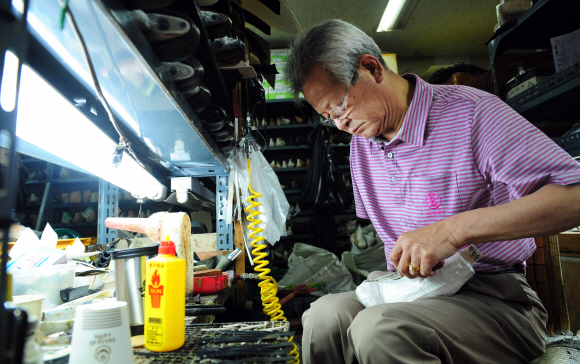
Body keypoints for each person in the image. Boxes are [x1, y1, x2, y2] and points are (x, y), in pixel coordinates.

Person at [284, 19, 580, 364]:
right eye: (327, 117)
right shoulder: (361, 144)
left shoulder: (471, 112)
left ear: (371, 67)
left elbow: (573, 197)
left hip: (495, 298)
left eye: (339, 106)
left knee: (379, 329)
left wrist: (453, 231)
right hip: (417, 292)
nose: (340, 124)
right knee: (324, 315)